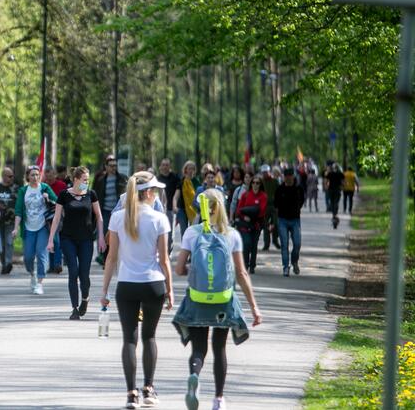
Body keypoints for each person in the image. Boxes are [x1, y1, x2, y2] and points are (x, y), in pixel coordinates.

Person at [172, 189, 263, 410]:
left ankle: (194, 374)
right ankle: (219, 399)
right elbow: (241, 274)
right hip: (223, 300)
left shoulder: (192, 233)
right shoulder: (231, 234)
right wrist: (254, 307)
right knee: (219, 348)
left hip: (198, 298)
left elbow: (179, 269)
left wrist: (196, 270)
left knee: (199, 349)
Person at [100, 172, 173, 409]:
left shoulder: (118, 218)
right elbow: (164, 259)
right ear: (149, 193)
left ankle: (131, 393)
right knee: (149, 336)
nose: (157, 195)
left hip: (127, 285)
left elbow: (111, 258)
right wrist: (170, 289)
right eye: (156, 191)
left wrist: (104, 290)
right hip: (153, 284)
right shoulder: (159, 219)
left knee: (129, 339)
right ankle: (149, 388)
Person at [47, 167, 105, 320]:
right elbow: (57, 218)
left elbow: (99, 217)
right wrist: (50, 239)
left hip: (86, 239)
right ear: (76, 180)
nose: (87, 182)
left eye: (88, 180)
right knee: (73, 272)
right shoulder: (64, 195)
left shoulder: (91, 194)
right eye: (84, 180)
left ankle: (85, 299)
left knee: (84, 274)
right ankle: (74, 308)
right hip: (68, 239)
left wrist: (101, 237)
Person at [12, 166, 57, 295]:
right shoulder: (23, 190)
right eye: (32, 175)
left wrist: (48, 198)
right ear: (28, 177)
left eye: (37, 174)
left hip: (43, 226)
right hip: (28, 227)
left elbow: (57, 203)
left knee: (42, 254)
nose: (35, 177)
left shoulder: (44, 188)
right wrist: (15, 228)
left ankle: (40, 283)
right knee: (28, 257)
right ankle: (32, 274)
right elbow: (19, 210)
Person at [274, 167, 305, 276]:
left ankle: (294, 260)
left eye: (290, 176)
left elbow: (302, 201)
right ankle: (286, 267)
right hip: (282, 220)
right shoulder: (280, 189)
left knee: (297, 243)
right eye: (286, 176)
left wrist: (296, 209)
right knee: (284, 244)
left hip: (295, 220)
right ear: (284, 177)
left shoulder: (298, 188)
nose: (288, 178)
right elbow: (276, 205)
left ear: (293, 176)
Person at [235, 174, 267, 274]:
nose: (255, 185)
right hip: (245, 223)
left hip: (256, 224)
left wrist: (251, 212)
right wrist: (245, 216)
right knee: (247, 243)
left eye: (257, 183)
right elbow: (239, 210)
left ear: (260, 184)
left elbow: (261, 211)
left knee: (254, 245)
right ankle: (245, 264)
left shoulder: (263, 196)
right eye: (253, 182)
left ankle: (252, 265)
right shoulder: (245, 195)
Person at [0, 168, 18, 275]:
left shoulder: (16, 188)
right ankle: (4, 264)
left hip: (11, 221)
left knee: (9, 242)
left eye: (12, 176)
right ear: (3, 176)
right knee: (1, 244)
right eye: (9, 176)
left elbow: (18, 203)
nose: (11, 178)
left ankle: (8, 262)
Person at [44, 166, 68, 273]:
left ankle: (57, 263)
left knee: (55, 238)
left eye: (51, 177)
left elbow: (66, 200)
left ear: (55, 175)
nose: (49, 180)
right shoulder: (43, 186)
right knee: (50, 239)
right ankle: (52, 264)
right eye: (47, 178)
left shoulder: (62, 185)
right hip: (46, 216)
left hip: (58, 215)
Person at [156, 158, 180, 253]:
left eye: (167, 165)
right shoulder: (157, 179)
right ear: (160, 167)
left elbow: (178, 192)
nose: (165, 167)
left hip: (170, 209)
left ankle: (168, 251)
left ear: (170, 166)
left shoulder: (175, 178)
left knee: (169, 231)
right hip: (158, 210)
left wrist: (174, 205)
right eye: (163, 165)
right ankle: (160, 251)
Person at [172, 161, 198, 236]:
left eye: (193, 169)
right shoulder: (182, 182)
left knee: (194, 232)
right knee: (184, 232)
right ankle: (185, 247)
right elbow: (176, 196)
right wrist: (174, 206)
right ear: (185, 170)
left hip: (194, 210)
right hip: (182, 210)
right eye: (189, 169)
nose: (191, 171)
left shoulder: (196, 182)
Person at [260, 165, 280, 251]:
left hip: (274, 206)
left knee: (276, 224)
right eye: (263, 173)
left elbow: (279, 192)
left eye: (266, 172)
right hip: (265, 206)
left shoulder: (275, 181)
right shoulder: (261, 182)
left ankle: (275, 240)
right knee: (266, 226)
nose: (265, 174)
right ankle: (266, 244)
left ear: (269, 172)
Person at [324, 163, 345, 229]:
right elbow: (343, 182)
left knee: (332, 202)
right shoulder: (340, 174)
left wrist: (326, 186)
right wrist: (342, 186)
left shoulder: (330, 174)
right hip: (337, 190)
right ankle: (335, 214)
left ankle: (334, 215)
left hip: (331, 190)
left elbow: (326, 181)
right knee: (336, 202)